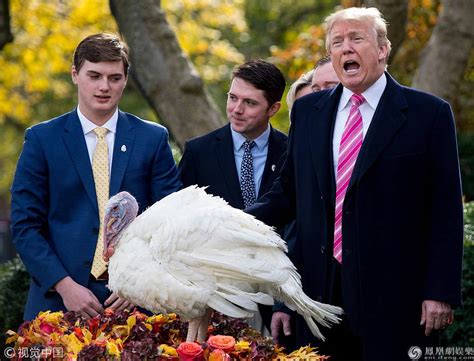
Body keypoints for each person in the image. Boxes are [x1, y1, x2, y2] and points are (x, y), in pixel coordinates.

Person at [248, 7, 463, 361]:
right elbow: (288, 191)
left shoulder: (429, 114)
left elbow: (445, 211)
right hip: (319, 293)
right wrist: (230, 221)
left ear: (382, 49)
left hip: (395, 295)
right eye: (337, 41)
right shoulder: (308, 112)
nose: (346, 47)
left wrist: (439, 291)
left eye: (356, 38)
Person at [10, 33, 181, 321]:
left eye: (114, 78)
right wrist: (64, 286)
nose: (104, 87)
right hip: (57, 303)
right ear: (75, 75)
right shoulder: (42, 139)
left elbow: (170, 221)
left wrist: (139, 280)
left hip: (135, 303)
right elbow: (25, 225)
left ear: (125, 79)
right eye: (95, 75)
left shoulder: (152, 138)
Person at [179, 59, 287, 334]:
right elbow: (180, 224)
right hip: (215, 298)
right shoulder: (198, 153)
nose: (236, 109)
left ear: (273, 108)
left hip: (278, 298)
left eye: (250, 103)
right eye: (232, 97)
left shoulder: (292, 152)